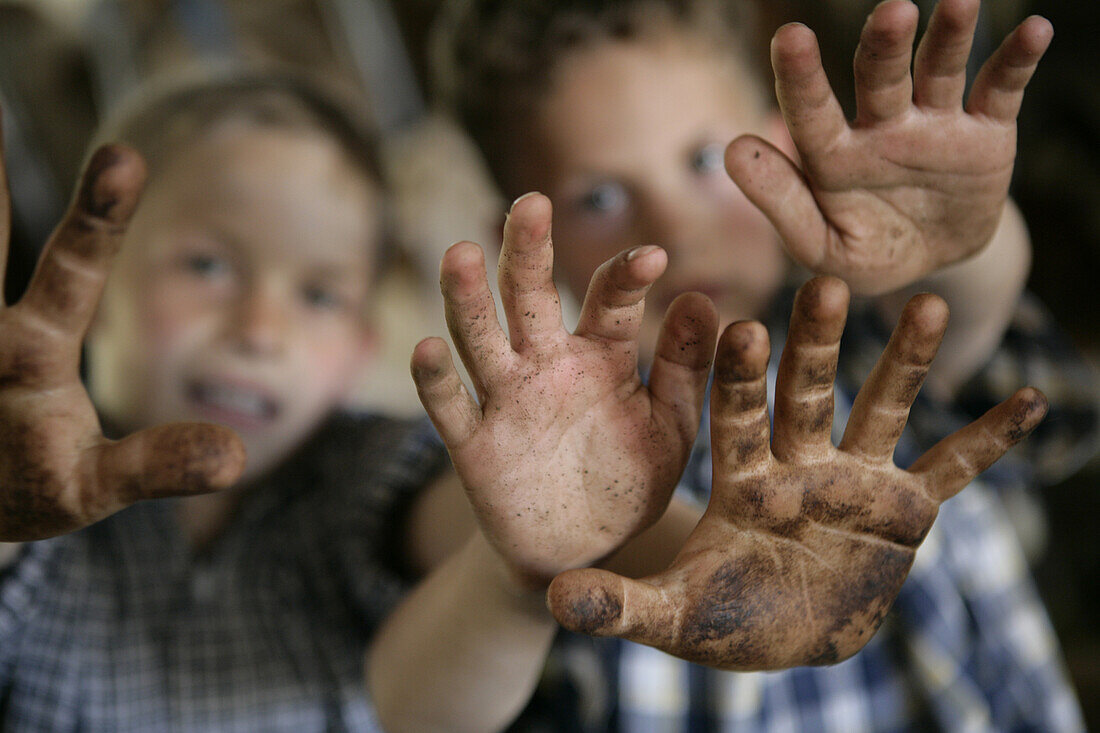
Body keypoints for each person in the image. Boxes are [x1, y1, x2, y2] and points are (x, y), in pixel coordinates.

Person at [367, 0, 1093, 730]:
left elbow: (969, 316)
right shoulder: (527, 447)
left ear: (784, 145)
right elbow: (411, 706)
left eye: (705, 161)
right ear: (526, 235)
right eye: (601, 197)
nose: (677, 228)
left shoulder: (861, 345)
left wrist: (964, 246)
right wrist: (522, 566)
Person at [0, 72, 452, 730]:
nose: (260, 331)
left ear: (360, 348)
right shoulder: (29, 484)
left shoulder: (372, 476)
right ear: (92, 286)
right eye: (207, 265)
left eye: (319, 295)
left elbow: (490, 530)